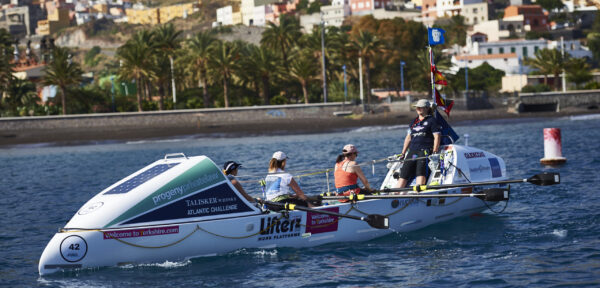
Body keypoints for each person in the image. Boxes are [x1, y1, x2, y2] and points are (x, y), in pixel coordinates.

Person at [395, 99, 441, 189]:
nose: (418, 109)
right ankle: (396, 193)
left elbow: (437, 137)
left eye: (421, 107)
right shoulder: (413, 122)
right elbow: (408, 138)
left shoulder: (432, 121)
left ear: (427, 108)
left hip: (424, 151)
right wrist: (403, 153)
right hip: (413, 152)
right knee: (404, 172)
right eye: (417, 107)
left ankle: (419, 190)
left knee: (420, 170)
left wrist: (435, 151)